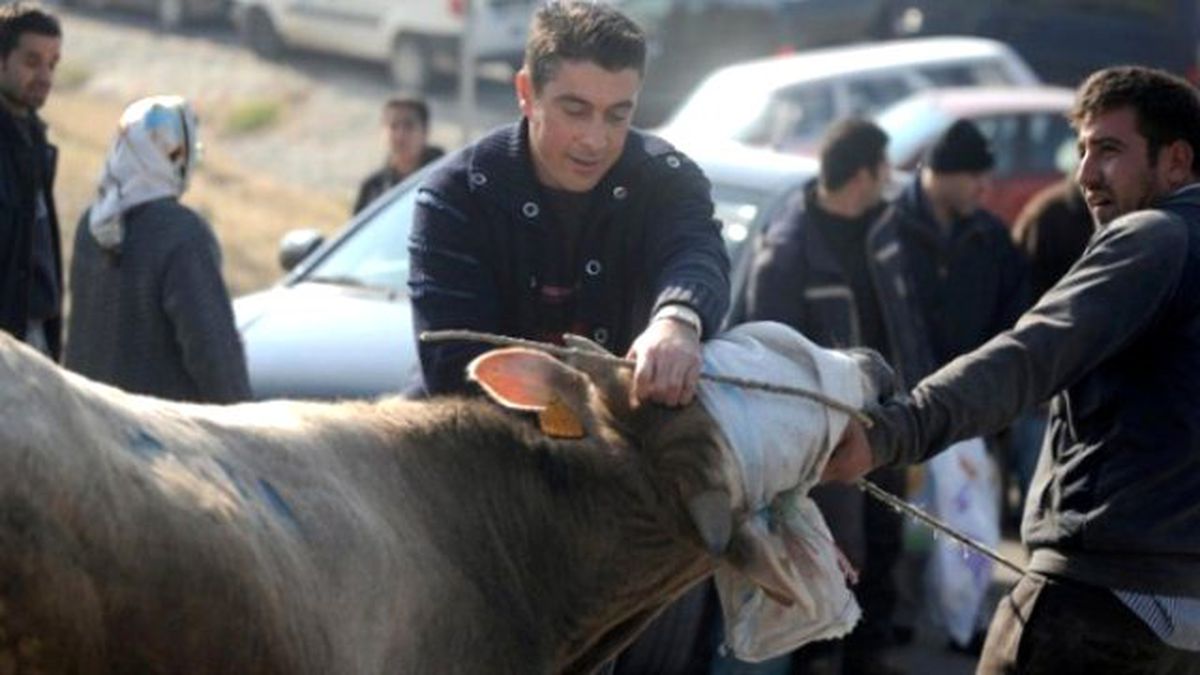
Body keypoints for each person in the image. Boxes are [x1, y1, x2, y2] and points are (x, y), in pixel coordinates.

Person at [825, 66, 1200, 673]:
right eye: (1081, 151)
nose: (1085, 175)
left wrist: (890, 432)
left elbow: (1028, 356)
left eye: (1109, 150)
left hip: (1099, 603)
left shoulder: (1156, 238)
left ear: (1176, 161)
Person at [408, 1, 730, 671]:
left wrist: (677, 318)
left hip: (618, 514)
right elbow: (453, 365)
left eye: (619, 114)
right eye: (575, 109)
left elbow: (696, 251)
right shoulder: (454, 197)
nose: (596, 140)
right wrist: (577, 418)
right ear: (526, 91)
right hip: (473, 505)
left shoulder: (666, 180)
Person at [734, 118, 933, 675]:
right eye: (883, 169)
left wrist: (918, 406)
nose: (890, 180)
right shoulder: (789, 251)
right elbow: (766, 356)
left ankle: (869, 659)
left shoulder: (884, 231)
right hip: (824, 442)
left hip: (887, 425)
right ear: (862, 174)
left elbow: (907, 322)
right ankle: (820, 661)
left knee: (885, 546)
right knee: (834, 557)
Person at [65, 96, 251, 404]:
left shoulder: (92, 222)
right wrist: (247, 425)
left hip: (91, 423)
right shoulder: (182, 235)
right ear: (175, 156)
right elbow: (213, 353)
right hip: (160, 435)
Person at [0, 2, 63, 359]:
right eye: (31, 61)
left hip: (31, 340)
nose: (45, 76)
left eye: (52, 64)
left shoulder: (35, 144)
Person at [353, 95, 444, 214]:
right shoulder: (373, 188)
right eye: (393, 126)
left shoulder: (443, 180)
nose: (400, 135)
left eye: (409, 126)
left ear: (425, 131)